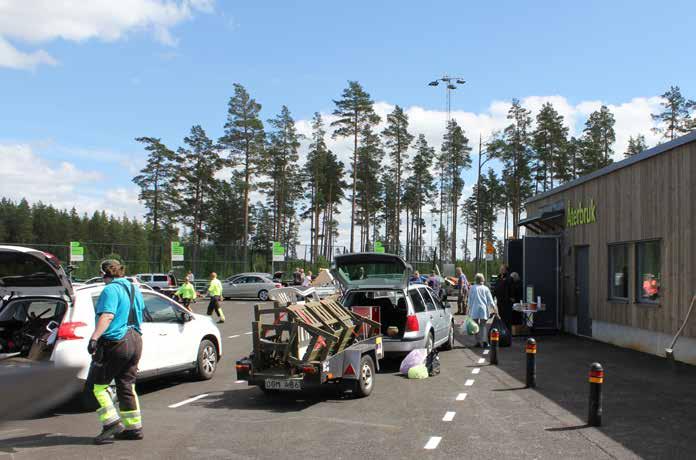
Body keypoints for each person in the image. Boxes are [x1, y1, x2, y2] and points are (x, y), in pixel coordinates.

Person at [88, 260, 145, 444]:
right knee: (126, 384)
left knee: (96, 386)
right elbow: (140, 312)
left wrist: (94, 338)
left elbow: (108, 315)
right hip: (135, 339)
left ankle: (111, 423)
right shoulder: (134, 288)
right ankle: (134, 428)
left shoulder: (110, 289)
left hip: (116, 341)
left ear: (105, 273)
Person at [467, 273, 497, 348]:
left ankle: (477, 342)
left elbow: (469, 300)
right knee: (483, 326)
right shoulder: (486, 288)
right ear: (482, 279)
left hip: (474, 309)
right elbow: (490, 300)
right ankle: (484, 342)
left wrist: (468, 309)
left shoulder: (472, 288)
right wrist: (495, 309)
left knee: (475, 326)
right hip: (483, 309)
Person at [495, 264, 513, 330]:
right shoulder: (499, 278)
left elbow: (511, 290)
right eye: (500, 269)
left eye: (502, 269)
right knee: (501, 319)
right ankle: (503, 333)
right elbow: (496, 288)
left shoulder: (509, 278)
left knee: (507, 320)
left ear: (506, 270)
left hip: (506, 303)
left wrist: (511, 298)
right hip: (499, 302)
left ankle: (508, 334)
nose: (500, 270)